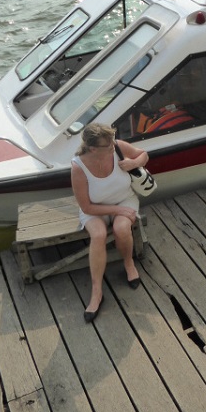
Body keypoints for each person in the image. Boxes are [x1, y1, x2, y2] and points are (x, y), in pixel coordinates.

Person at [71, 123, 149, 322]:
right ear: (93, 149)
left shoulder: (118, 147)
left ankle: (129, 263)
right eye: (108, 145)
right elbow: (87, 207)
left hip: (124, 199)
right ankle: (97, 291)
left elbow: (144, 154)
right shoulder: (78, 167)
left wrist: (133, 163)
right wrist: (116, 210)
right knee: (98, 235)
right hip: (95, 208)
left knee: (122, 228)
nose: (113, 146)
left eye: (113, 141)